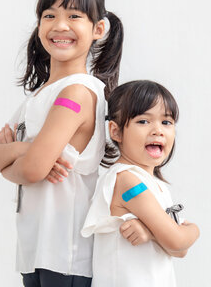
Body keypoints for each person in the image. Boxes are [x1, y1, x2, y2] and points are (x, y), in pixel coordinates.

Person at [0, 0, 127, 286]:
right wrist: (24, 150)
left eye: (74, 15)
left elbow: (32, 171)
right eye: (50, 16)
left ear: (98, 29)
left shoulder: (76, 93)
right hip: (33, 252)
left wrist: (21, 159)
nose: (60, 25)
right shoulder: (37, 98)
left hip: (66, 256)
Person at [81, 80, 200, 287]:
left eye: (166, 122)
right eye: (143, 121)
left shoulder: (155, 185)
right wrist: (195, 229)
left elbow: (180, 251)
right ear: (115, 131)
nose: (158, 131)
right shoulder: (127, 181)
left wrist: (151, 234)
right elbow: (177, 241)